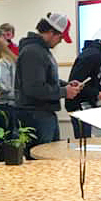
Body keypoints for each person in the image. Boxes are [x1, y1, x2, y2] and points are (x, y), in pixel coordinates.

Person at [15, 13, 82, 148]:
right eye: (60, 37)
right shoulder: (33, 52)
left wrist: (66, 85)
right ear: (51, 32)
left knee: (50, 155)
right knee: (41, 159)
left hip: (43, 114)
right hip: (36, 116)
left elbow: (45, 79)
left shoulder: (40, 50)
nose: (60, 41)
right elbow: (34, 88)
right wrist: (64, 91)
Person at [0, 36, 18, 131]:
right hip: (14, 105)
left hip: (4, 105)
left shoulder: (2, 63)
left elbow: (4, 87)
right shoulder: (13, 60)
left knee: (3, 139)